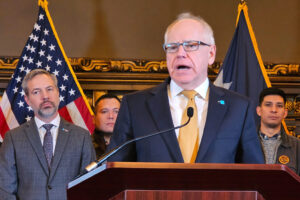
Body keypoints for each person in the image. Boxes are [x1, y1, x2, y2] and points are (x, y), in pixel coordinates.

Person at [107, 13, 264, 164]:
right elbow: (115, 171)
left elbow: (255, 174)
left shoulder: (239, 108)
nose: (180, 54)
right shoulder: (135, 106)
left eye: (191, 45)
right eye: (172, 47)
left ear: (211, 53)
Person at [0, 69, 96, 200]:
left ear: (58, 93)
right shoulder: (13, 138)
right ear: (27, 100)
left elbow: (90, 187)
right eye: (36, 92)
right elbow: (5, 190)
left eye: (49, 89)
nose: (45, 96)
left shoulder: (82, 136)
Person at [256, 87, 300, 175]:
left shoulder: (297, 147)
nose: (274, 110)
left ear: (285, 113)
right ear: (259, 110)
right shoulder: (244, 145)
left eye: (279, 106)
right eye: (268, 104)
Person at [92, 94, 121, 158]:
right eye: (104, 111)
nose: (111, 116)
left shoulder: (133, 146)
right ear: (94, 119)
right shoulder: (84, 145)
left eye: (116, 112)